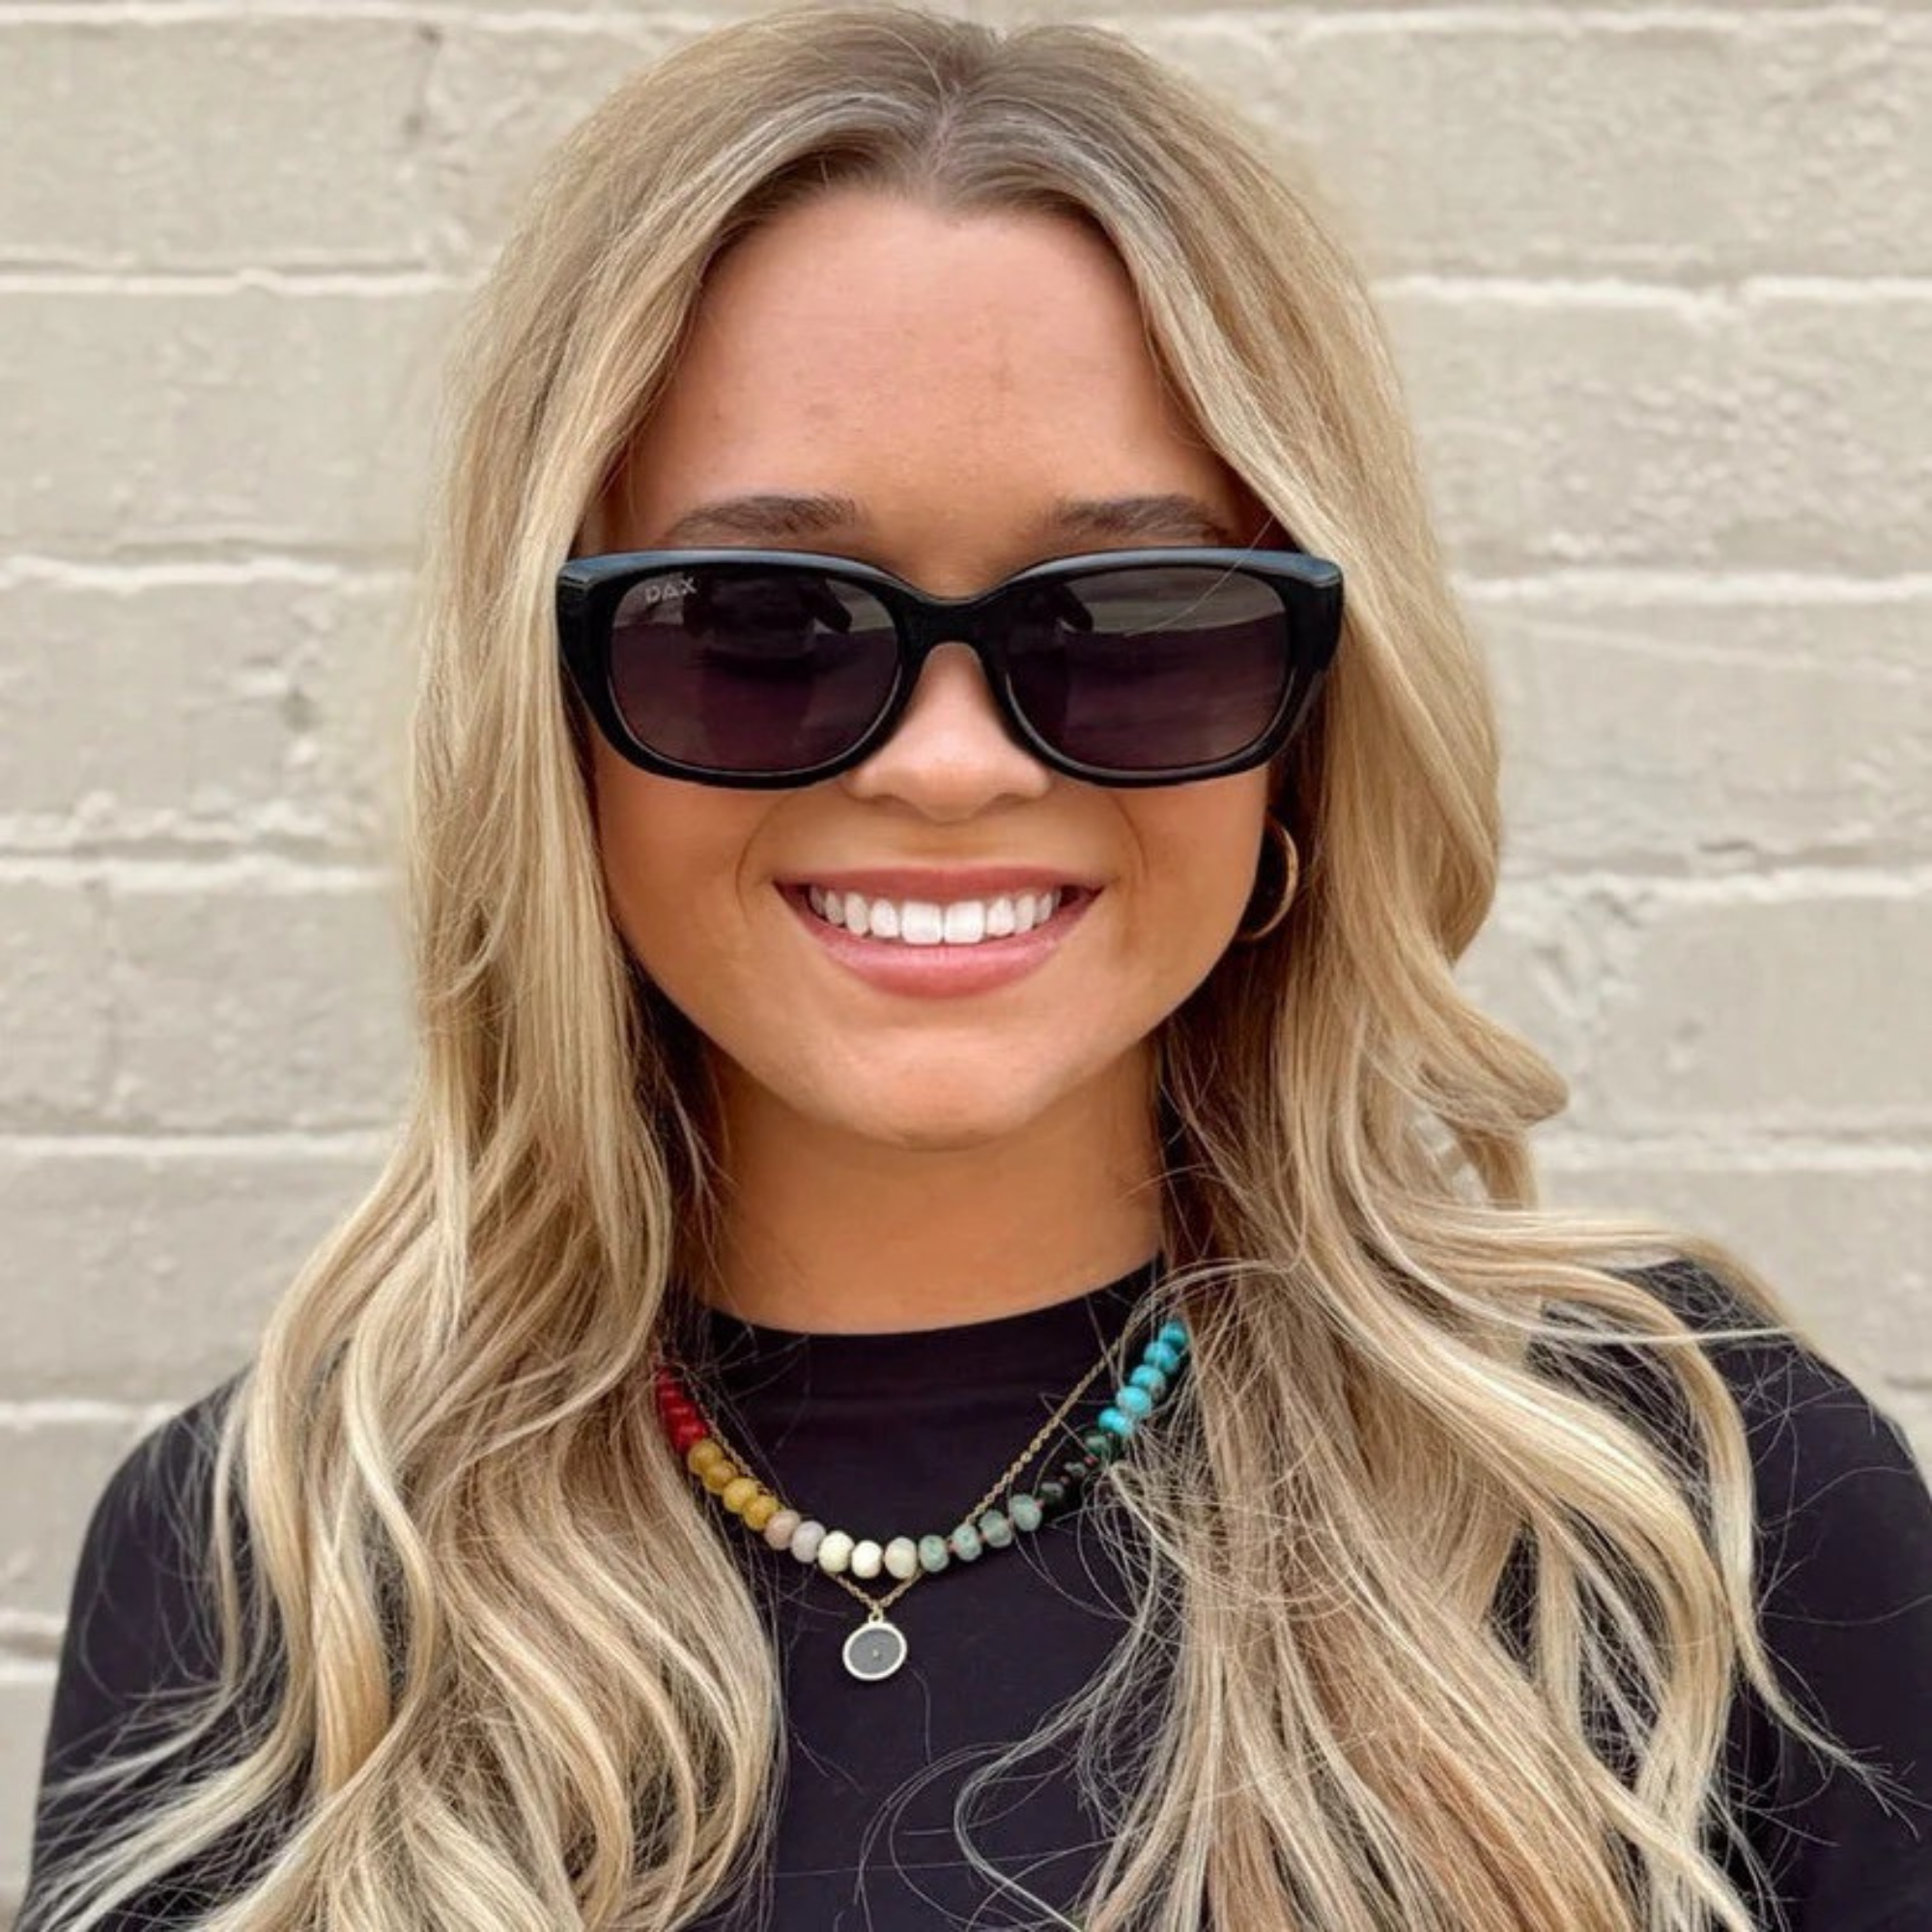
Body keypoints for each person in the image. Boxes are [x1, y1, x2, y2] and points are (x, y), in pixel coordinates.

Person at [20, 5, 1932, 1929]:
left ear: (1303, 727)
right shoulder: (273, 1574)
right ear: (549, 723)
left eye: (1128, 623)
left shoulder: (1687, 1505)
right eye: (757, 625)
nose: (946, 763)